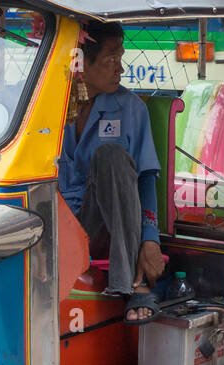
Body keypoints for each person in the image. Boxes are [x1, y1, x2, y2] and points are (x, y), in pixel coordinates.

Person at [57, 22, 165, 324]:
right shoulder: (53, 105)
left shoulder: (130, 109)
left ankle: (133, 285)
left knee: (111, 156)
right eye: (110, 60)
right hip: (56, 227)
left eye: (121, 58)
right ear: (80, 64)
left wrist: (150, 240)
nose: (120, 69)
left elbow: (145, 181)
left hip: (102, 228)